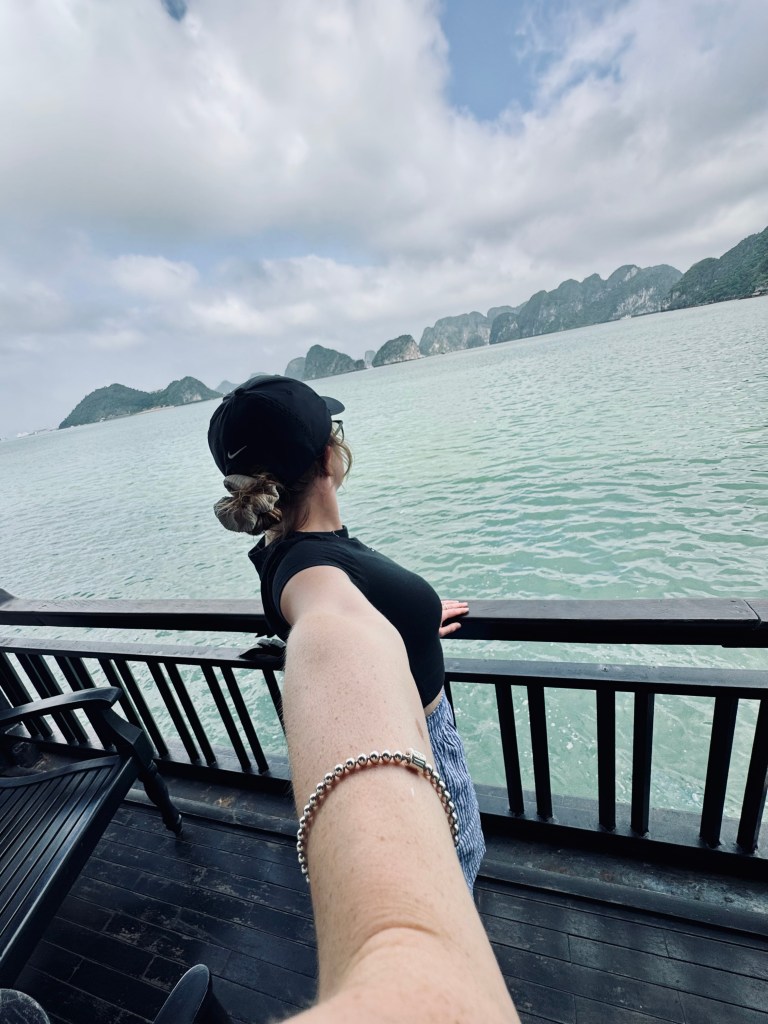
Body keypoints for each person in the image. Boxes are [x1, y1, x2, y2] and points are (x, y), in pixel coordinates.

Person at [207, 375, 517, 1021]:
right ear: (329, 457)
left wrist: (407, 622)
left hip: (417, 713)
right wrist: (403, 961)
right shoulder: (314, 579)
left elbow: (350, 598)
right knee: (456, 871)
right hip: (422, 750)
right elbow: (334, 629)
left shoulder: (290, 551)